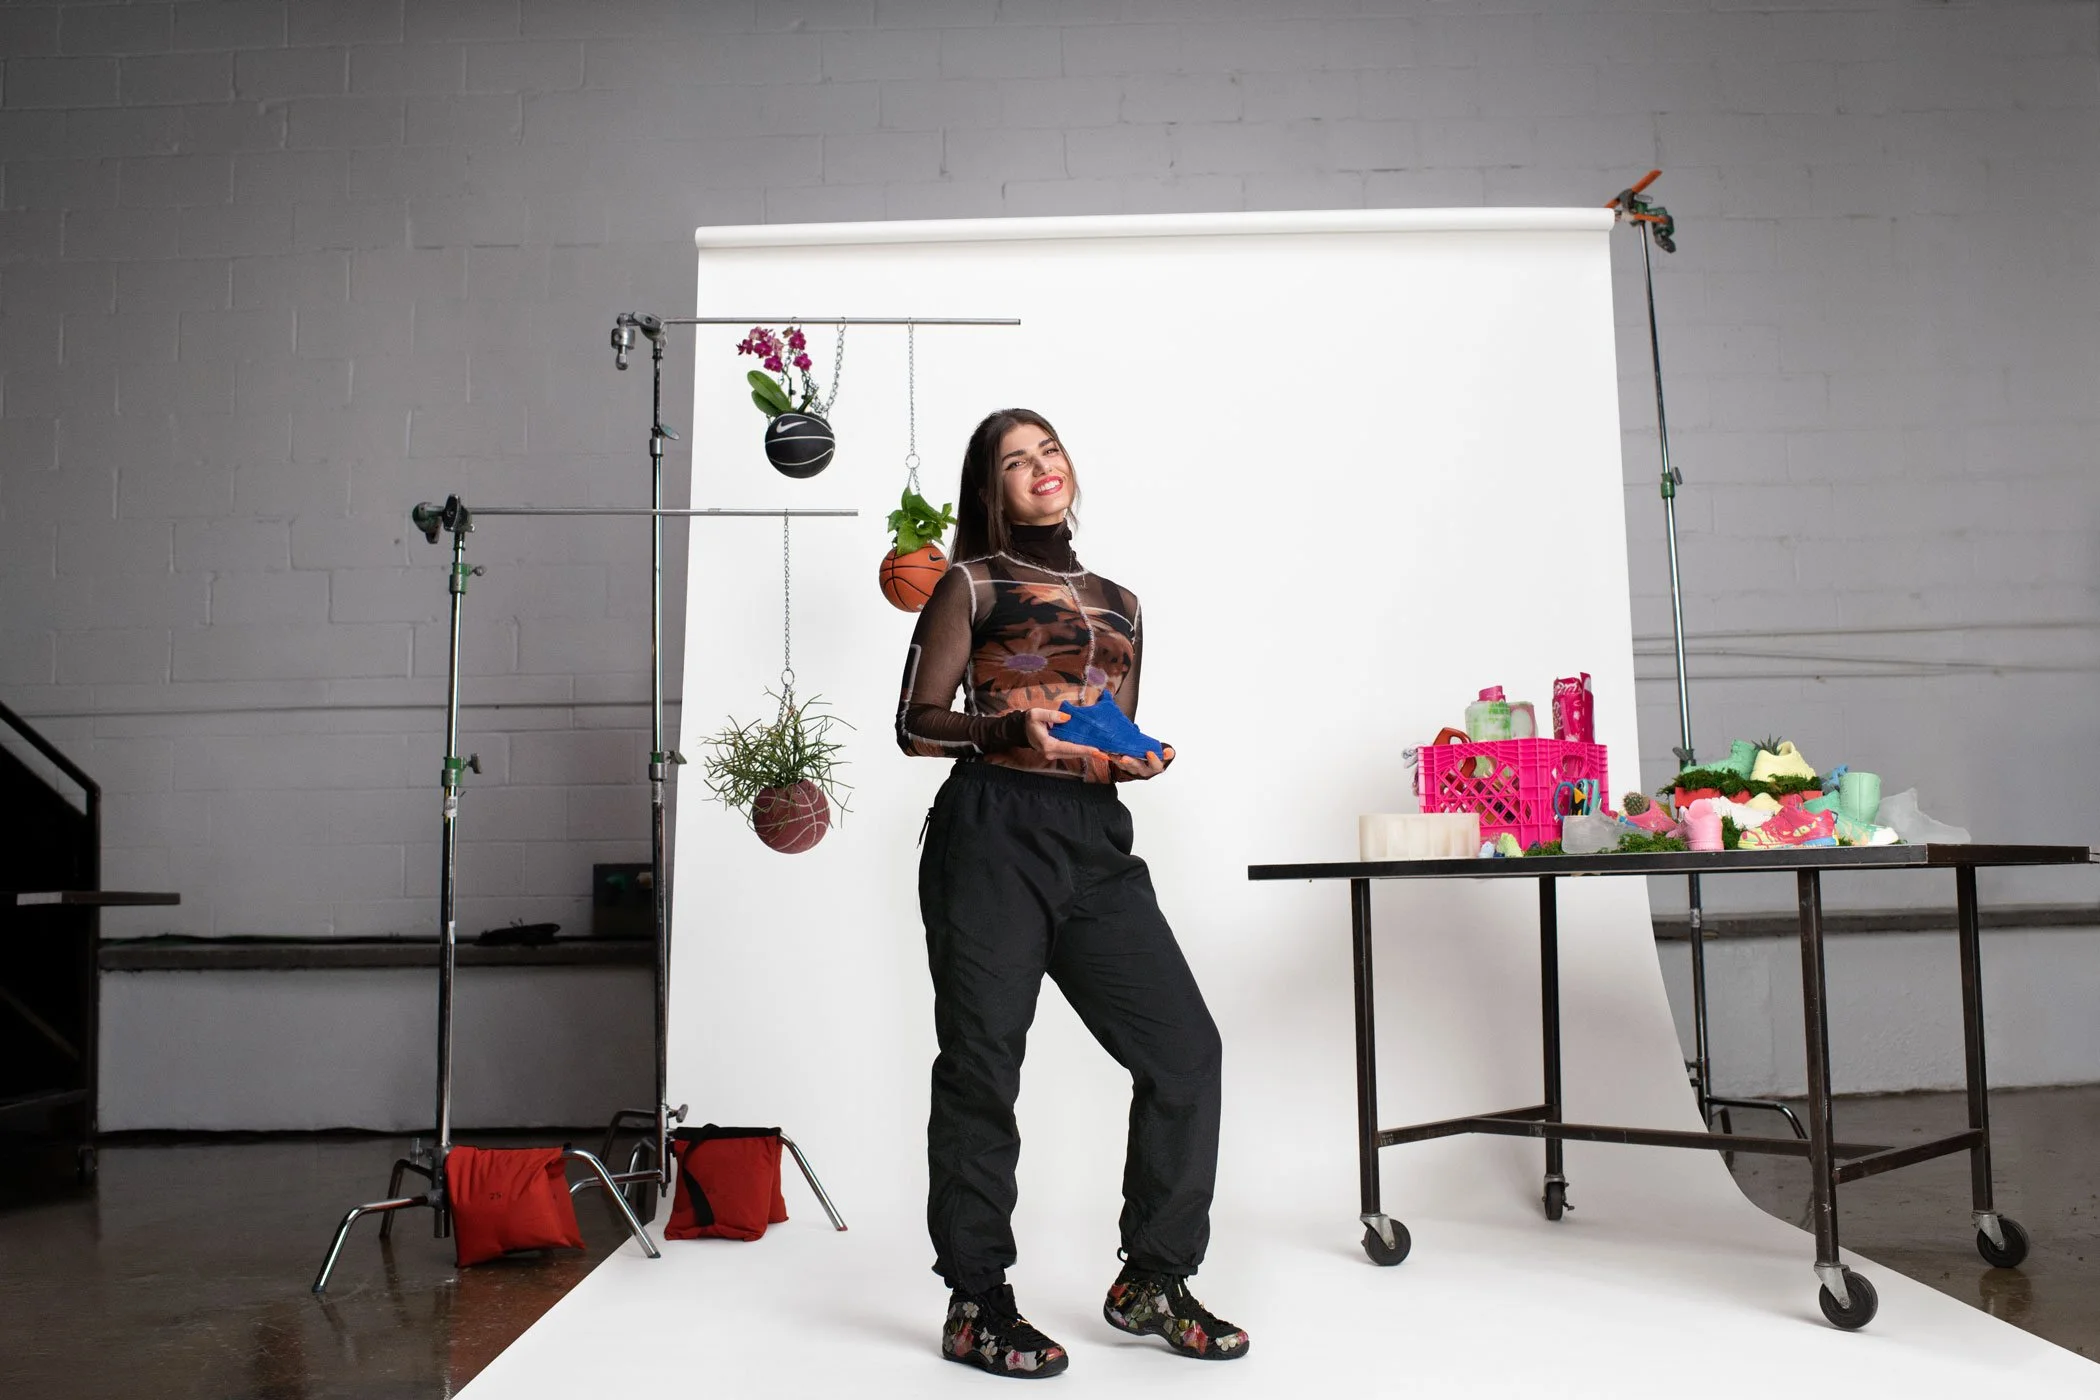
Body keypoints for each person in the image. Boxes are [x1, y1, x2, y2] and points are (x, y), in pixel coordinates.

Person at [896, 409, 1249, 1380]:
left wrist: (1129, 758)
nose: (1039, 467)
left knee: (1186, 1052)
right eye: (1016, 460)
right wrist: (1005, 733)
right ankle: (977, 1302)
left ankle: (1152, 1279)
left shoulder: (1122, 601)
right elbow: (918, 724)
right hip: (990, 834)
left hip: (1093, 842)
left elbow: (1103, 731)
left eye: (1047, 449)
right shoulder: (971, 582)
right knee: (983, 1066)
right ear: (990, 489)